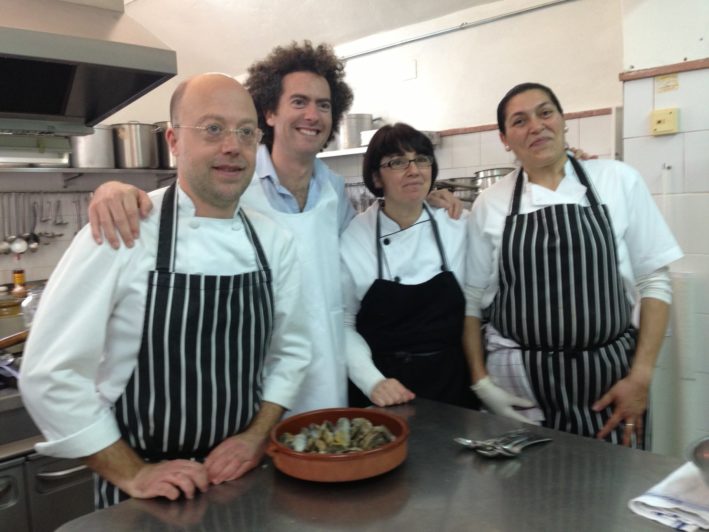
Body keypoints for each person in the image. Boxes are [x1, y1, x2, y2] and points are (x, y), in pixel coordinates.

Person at [86, 41, 462, 415]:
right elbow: (181, 198)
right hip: (249, 383)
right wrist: (113, 191)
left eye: (324, 105)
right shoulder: (232, 185)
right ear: (268, 112)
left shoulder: (331, 190)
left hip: (329, 375)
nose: (312, 115)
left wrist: (422, 198)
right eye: (299, 102)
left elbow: (370, 237)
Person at [19, 73, 311, 508]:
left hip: (241, 481)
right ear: (174, 141)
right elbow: (50, 373)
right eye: (212, 129)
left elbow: (290, 353)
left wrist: (254, 437)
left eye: (246, 132)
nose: (232, 146)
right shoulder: (125, 230)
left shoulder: (274, 242)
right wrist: (133, 473)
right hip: (143, 496)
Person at [463, 82, 683, 448]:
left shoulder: (617, 180)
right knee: (523, 499)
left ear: (564, 121)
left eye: (545, 112)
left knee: (612, 496)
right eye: (519, 121)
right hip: (521, 389)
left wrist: (641, 377)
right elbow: (472, 303)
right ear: (504, 139)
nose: (536, 126)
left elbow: (654, 281)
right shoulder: (490, 203)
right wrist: (483, 384)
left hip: (610, 385)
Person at [341, 123, 478, 409]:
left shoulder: (458, 225)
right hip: (384, 391)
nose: (414, 170)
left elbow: (476, 306)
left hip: (451, 387)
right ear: (377, 178)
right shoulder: (355, 238)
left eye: (422, 159)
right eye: (398, 162)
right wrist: (372, 381)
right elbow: (343, 324)